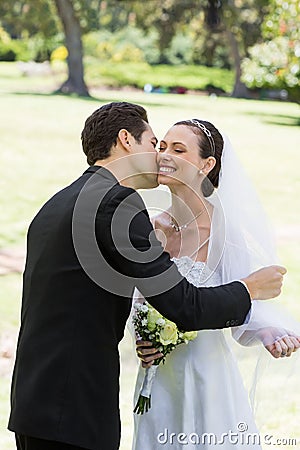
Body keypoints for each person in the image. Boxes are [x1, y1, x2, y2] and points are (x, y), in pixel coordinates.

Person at [8, 103, 286, 450]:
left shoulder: (57, 203)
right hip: (74, 405)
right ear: (125, 140)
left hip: (36, 402)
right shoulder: (117, 203)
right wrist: (248, 289)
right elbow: (183, 305)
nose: (159, 156)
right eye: (154, 143)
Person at [133, 119, 300, 450]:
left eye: (179, 150)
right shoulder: (149, 229)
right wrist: (141, 338)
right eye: (162, 146)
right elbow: (136, 300)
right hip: (157, 382)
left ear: (206, 165)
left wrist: (269, 334)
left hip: (206, 378)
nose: (164, 155)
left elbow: (249, 295)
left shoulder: (226, 234)